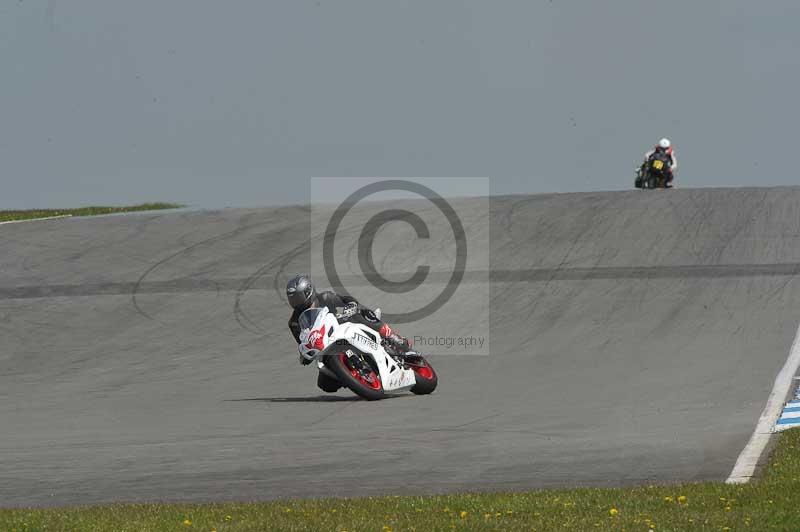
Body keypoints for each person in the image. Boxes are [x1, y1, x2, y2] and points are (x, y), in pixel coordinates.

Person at [286, 274, 411, 366]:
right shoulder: (294, 322)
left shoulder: (324, 298)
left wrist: (350, 306)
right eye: (292, 299)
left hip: (343, 327)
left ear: (309, 291)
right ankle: (356, 376)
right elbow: (302, 342)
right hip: (327, 345)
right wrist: (304, 355)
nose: (295, 302)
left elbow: (346, 300)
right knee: (326, 385)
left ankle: (393, 337)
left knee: (360, 314)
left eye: (297, 298)